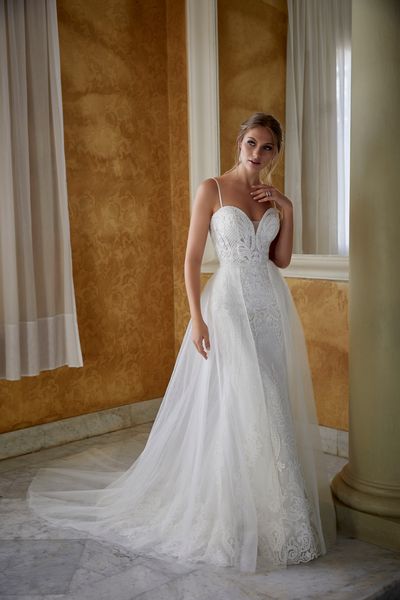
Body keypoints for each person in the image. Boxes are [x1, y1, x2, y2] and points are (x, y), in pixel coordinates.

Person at [28, 113, 336, 574]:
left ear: (276, 153)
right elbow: (192, 260)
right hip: (228, 306)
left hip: (270, 309)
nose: (257, 153)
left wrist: (286, 208)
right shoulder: (211, 189)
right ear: (239, 143)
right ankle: (229, 516)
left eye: (267, 147)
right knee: (248, 401)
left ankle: (274, 518)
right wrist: (196, 318)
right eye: (251, 143)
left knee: (268, 405)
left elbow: (282, 260)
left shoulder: (273, 199)